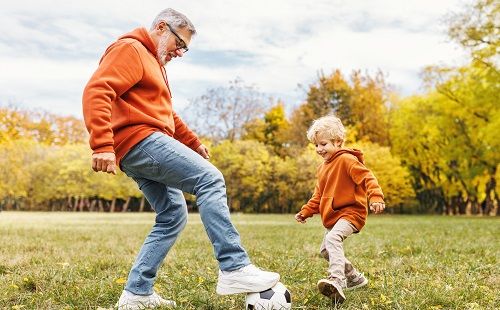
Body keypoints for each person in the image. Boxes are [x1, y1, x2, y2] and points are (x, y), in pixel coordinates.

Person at [82, 8, 279, 310]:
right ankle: (234, 267)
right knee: (210, 179)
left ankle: (137, 293)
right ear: (161, 27)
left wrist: (193, 143)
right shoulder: (131, 49)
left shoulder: (154, 64)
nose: (181, 52)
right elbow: (98, 90)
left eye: (185, 48)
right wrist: (102, 145)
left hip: (142, 142)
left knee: (173, 214)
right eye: (180, 44)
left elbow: (166, 114)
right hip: (139, 140)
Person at [294, 115, 385, 303]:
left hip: (351, 213)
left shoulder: (346, 160)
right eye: (316, 145)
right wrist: (306, 211)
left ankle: (337, 279)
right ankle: (354, 278)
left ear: (338, 142)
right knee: (326, 250)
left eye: (323, 144)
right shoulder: (322, 168)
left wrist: (375, 197)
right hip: (333, 217)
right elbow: (318, 196)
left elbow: (368, 177)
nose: (319, 149)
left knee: (332, 238)